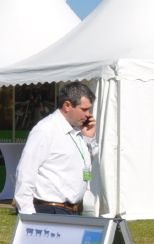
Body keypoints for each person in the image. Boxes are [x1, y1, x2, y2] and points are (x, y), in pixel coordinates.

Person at [13, 82, 97, 215]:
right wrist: (28, 215)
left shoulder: (78, 131)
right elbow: (26, 172)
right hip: (51, 210)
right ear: (67, 105)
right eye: (84, 109)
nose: (88, 114)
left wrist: (89, 138)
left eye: (89, 109)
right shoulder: (46, 130)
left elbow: (85, 163)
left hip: (74, 210)